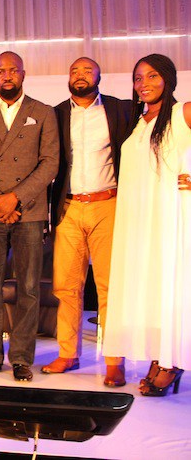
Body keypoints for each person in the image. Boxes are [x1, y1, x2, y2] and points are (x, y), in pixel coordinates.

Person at [0, 52, 59, 382]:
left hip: (28, 210)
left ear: (23, 74)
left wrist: (14, 197)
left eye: (12, 70)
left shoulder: (42, 112)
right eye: (0, 71)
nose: (6, 75)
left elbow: (50, 162)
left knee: (28, 288)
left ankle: (21, 358)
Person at [103, 54, 191, 397]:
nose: (144, 84)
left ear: (168, 78)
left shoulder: (183, 113)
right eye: (138, 78)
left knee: (169, 286)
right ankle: (159, 354)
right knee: (150, 289)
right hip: (138, 219)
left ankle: (172, 361)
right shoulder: (138, 121)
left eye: (152, 76)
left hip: (169, 217)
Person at [41, 58, 131, 386]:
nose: (80, 76)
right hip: (68, 208)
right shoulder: (55, 114)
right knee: (66, 286)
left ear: (99, 76)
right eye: (74, 71)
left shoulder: (120, 110)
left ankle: (114, 359)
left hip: (108, 204)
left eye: (87, 71)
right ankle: (68, 353)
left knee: (109, 287)